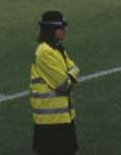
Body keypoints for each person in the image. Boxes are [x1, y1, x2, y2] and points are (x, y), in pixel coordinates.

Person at [29, 10, 79, 155]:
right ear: (51, 30)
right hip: (50, 122)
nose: (65, 30)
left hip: (63, 117)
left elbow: (74, 69)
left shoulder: (57, 49)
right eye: (61, 28)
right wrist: (71, 77)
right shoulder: (45, 53)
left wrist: (70, 76)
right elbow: (64, 84)